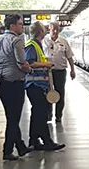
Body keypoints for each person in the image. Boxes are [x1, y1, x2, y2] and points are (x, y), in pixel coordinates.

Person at [0, 14, 33, 161]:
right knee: (14, 118)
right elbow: (22, 63)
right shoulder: (17, 41)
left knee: (11, 117)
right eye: (20, 24)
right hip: (14, 82)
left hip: (0, 82)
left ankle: (17, 147)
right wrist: (30, 70)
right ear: (12, 26)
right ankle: (9, 150)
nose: (22, 26)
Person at [24, 21, 65, 152]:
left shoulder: (37, 45)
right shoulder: (32, 45)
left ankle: (34, 140)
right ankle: (47, 141)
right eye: (44, 30)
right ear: (40, 32)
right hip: (34, 84)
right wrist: (46, 65)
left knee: (37, 113)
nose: (46, 31)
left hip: (38, 85)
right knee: (41, 113)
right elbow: (30, 63)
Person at [43, 21, 75, 123]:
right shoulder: (43, 41)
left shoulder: (64, 41)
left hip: (60, 72)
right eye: (53, 29)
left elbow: (69, 56)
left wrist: (72, 70)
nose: (56, 31)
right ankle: (48, 115)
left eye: (57, 29)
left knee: (60, 93)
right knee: (48, 93)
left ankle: (58, 115)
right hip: (47, 72)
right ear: (49, 29)